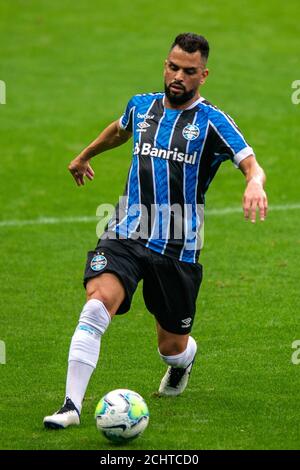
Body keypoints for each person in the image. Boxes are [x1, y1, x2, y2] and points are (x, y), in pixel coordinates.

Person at [43, 32, 268, 429]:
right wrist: (84, 155)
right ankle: (70, 406)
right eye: (173, 67)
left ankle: (184, 361)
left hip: (178, 247)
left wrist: (254, 182)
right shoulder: (142, 106)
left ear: (204, 75)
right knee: (96, 305)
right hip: (126, 232)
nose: (178, 76)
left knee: (171, 346)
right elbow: (119, 128)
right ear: (165, 65)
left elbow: (249, 161)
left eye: (189, 71)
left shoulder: (213, 122)